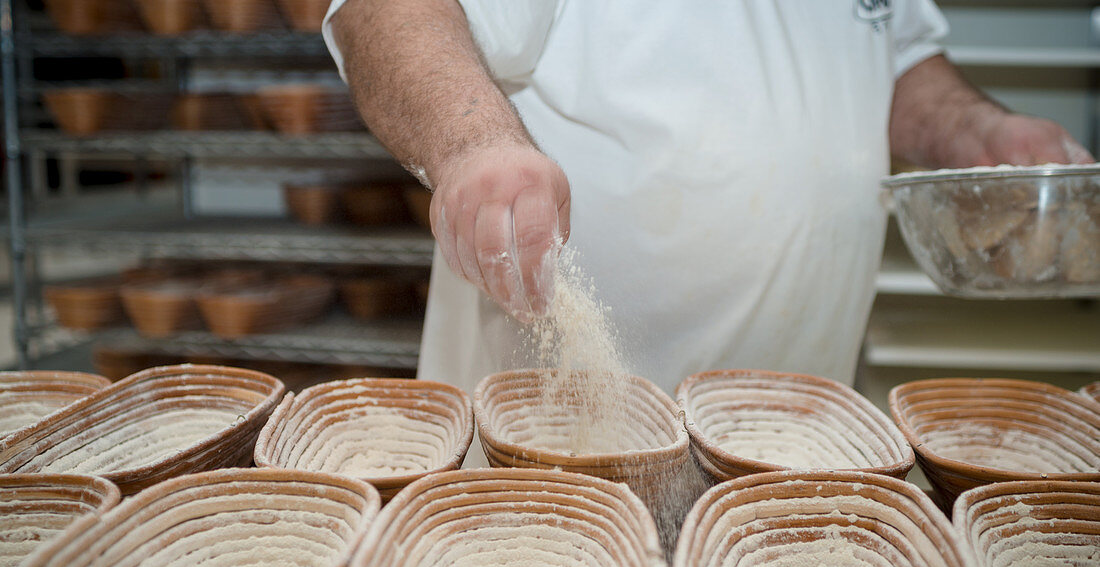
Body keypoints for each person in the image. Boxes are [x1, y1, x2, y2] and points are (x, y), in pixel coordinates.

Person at [323, 0, 1093, 399]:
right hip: (553, 446)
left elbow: (894, 53)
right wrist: (475, 145)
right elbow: (387, 12)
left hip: (794, 428)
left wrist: (976, 130)